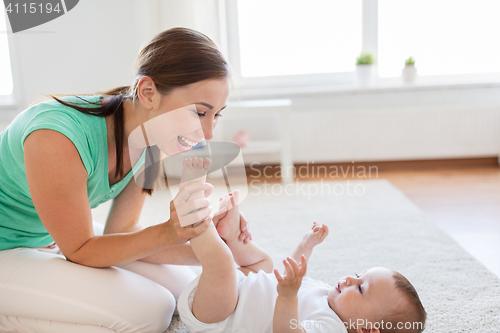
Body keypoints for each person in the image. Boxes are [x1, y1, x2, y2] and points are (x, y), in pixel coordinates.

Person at [0, 27, 251, 333]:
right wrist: (171, 231)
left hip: (49, 236)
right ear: (148, 92)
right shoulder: (54, 138)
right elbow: (80, 250)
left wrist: (215, 247)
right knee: (149, 313)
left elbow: (123, 230)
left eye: (216, 115)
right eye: (199, 112)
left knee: (183, 288)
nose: (208, 133)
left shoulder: (148, 138)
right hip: (10, 248)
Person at [177, 160, 427, 333]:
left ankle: (192, 208)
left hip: (219, 317)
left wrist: (287, 296)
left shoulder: (332, 326)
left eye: (361, 288)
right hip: (238, 288)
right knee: (265, 263)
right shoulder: (328, 295)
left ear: (365, 329)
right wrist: (306, 245)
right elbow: (292, 273)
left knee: (220, 262)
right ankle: (231, 236)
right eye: (359, 275)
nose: (350, 278)